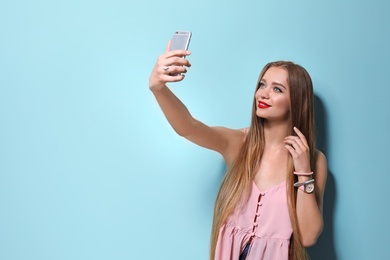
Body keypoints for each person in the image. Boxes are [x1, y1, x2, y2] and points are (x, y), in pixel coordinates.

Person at [148, 41, 327, 260]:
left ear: (299, 101)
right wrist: (159, 89)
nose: (263, 94)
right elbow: (188, 127)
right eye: (262, 85)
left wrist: (303, 171)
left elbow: (308, 237)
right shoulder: (239, 143)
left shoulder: (314, 161)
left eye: (277, 89)